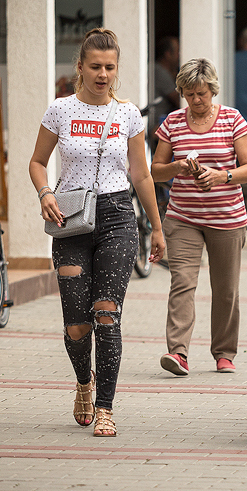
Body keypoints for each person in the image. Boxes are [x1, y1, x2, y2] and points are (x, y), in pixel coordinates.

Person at [29, 28, 165, 437]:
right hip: (69, 219)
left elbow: (140, 174)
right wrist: (45, 192)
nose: (102, 74)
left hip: (118, 215)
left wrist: (157, 226)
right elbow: (37, 161)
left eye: (109, 67)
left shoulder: (127, 114)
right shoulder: (61, 110)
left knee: (106, 315)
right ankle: (83, 382)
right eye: (95, 67)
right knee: (76, 324)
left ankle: (105, 406)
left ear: (117, 69)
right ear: (80, 67)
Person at [151, 58, 247, 377]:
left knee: (226, 289)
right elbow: (155, 171)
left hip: (227, 218)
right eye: (189, 94)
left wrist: (221, 176)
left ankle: (224, 352)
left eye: (202, 93)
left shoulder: (232, 119)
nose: (196, 100)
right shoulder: (172, 122)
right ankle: (178, 352)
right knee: (182, 282)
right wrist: (176, 167)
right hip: (183, 217)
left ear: (212, 90)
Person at [154, 36, 180, 122]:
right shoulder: (159, 71)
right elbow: (179, 100)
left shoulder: (166, 71)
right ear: (168, 54)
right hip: (156, 124)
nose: (180, 56)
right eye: (178, 52)